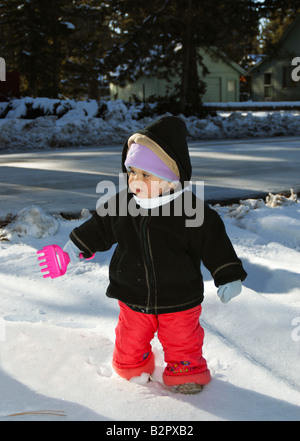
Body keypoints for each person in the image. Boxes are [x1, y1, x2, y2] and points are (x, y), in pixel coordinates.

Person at [64, 116, 247, 394]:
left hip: (180, 298)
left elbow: (215, 243)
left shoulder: (191, 210)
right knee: (129, 346)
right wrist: (76, 246)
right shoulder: (122, 204)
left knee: (183, 342)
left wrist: (228, 274)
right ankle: (134, 368)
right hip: (132, 294)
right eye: (132, 172)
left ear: (172, 180)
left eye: (146, 175)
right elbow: (98, 228)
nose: (135, 180)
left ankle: (186, 373)